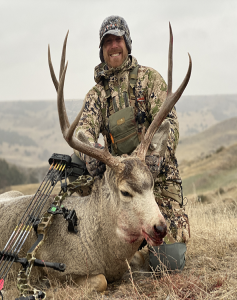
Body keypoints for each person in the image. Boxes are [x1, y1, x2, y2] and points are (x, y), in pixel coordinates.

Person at [72, 15, 190, 271]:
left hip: (153, 181)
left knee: (169, 263)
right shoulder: (96, 96)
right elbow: (82, 132)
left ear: (127, 43)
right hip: (120, 188)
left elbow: (170, 124)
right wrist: (91, 155)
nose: (113, 46)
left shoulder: (150, 80)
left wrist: (156, 157)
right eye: (107, 42)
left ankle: (141, 252)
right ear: (102, 50)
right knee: (72, 163)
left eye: (118, 39)